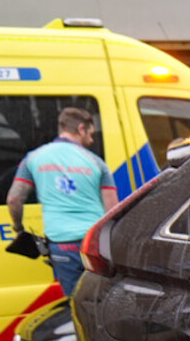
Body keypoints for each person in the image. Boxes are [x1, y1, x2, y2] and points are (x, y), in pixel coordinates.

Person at [8, 107, 117, 297]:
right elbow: (113, 209)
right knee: (102, 299)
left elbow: (14, 199)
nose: (91, 141)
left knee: (75, 302)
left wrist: (18, 227)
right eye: (90, 134)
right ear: (81, 129)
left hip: (61, 243)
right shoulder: (97, 162)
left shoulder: (33, 158)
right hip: (93, 242)